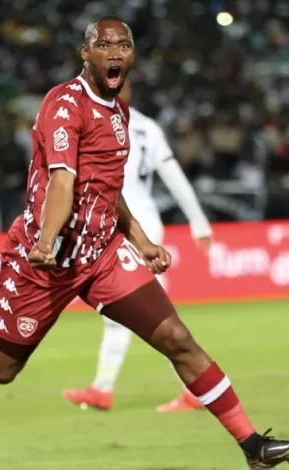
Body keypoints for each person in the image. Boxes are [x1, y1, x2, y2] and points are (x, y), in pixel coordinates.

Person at [0, 16, 289, 469]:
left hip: (100, 256)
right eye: (104, 45)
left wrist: (140, 239)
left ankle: (253, 447)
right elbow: (62, 183)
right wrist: (46, 241)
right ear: (85, 53)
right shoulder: (63, 106)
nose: (115, 52)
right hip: (42, 262)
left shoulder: (119, 113)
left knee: (177, 338)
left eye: (123, 44)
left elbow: (105, 187)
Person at [62, 80, 213, 413]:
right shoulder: (149, 128)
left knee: (149, 315)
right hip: (131, 223)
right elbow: (174, 176)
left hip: (131, 227)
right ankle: (102, 389)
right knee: (124, 312)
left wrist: (199, 222)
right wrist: (198, 221)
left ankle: (196, 389)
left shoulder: (96, 124)